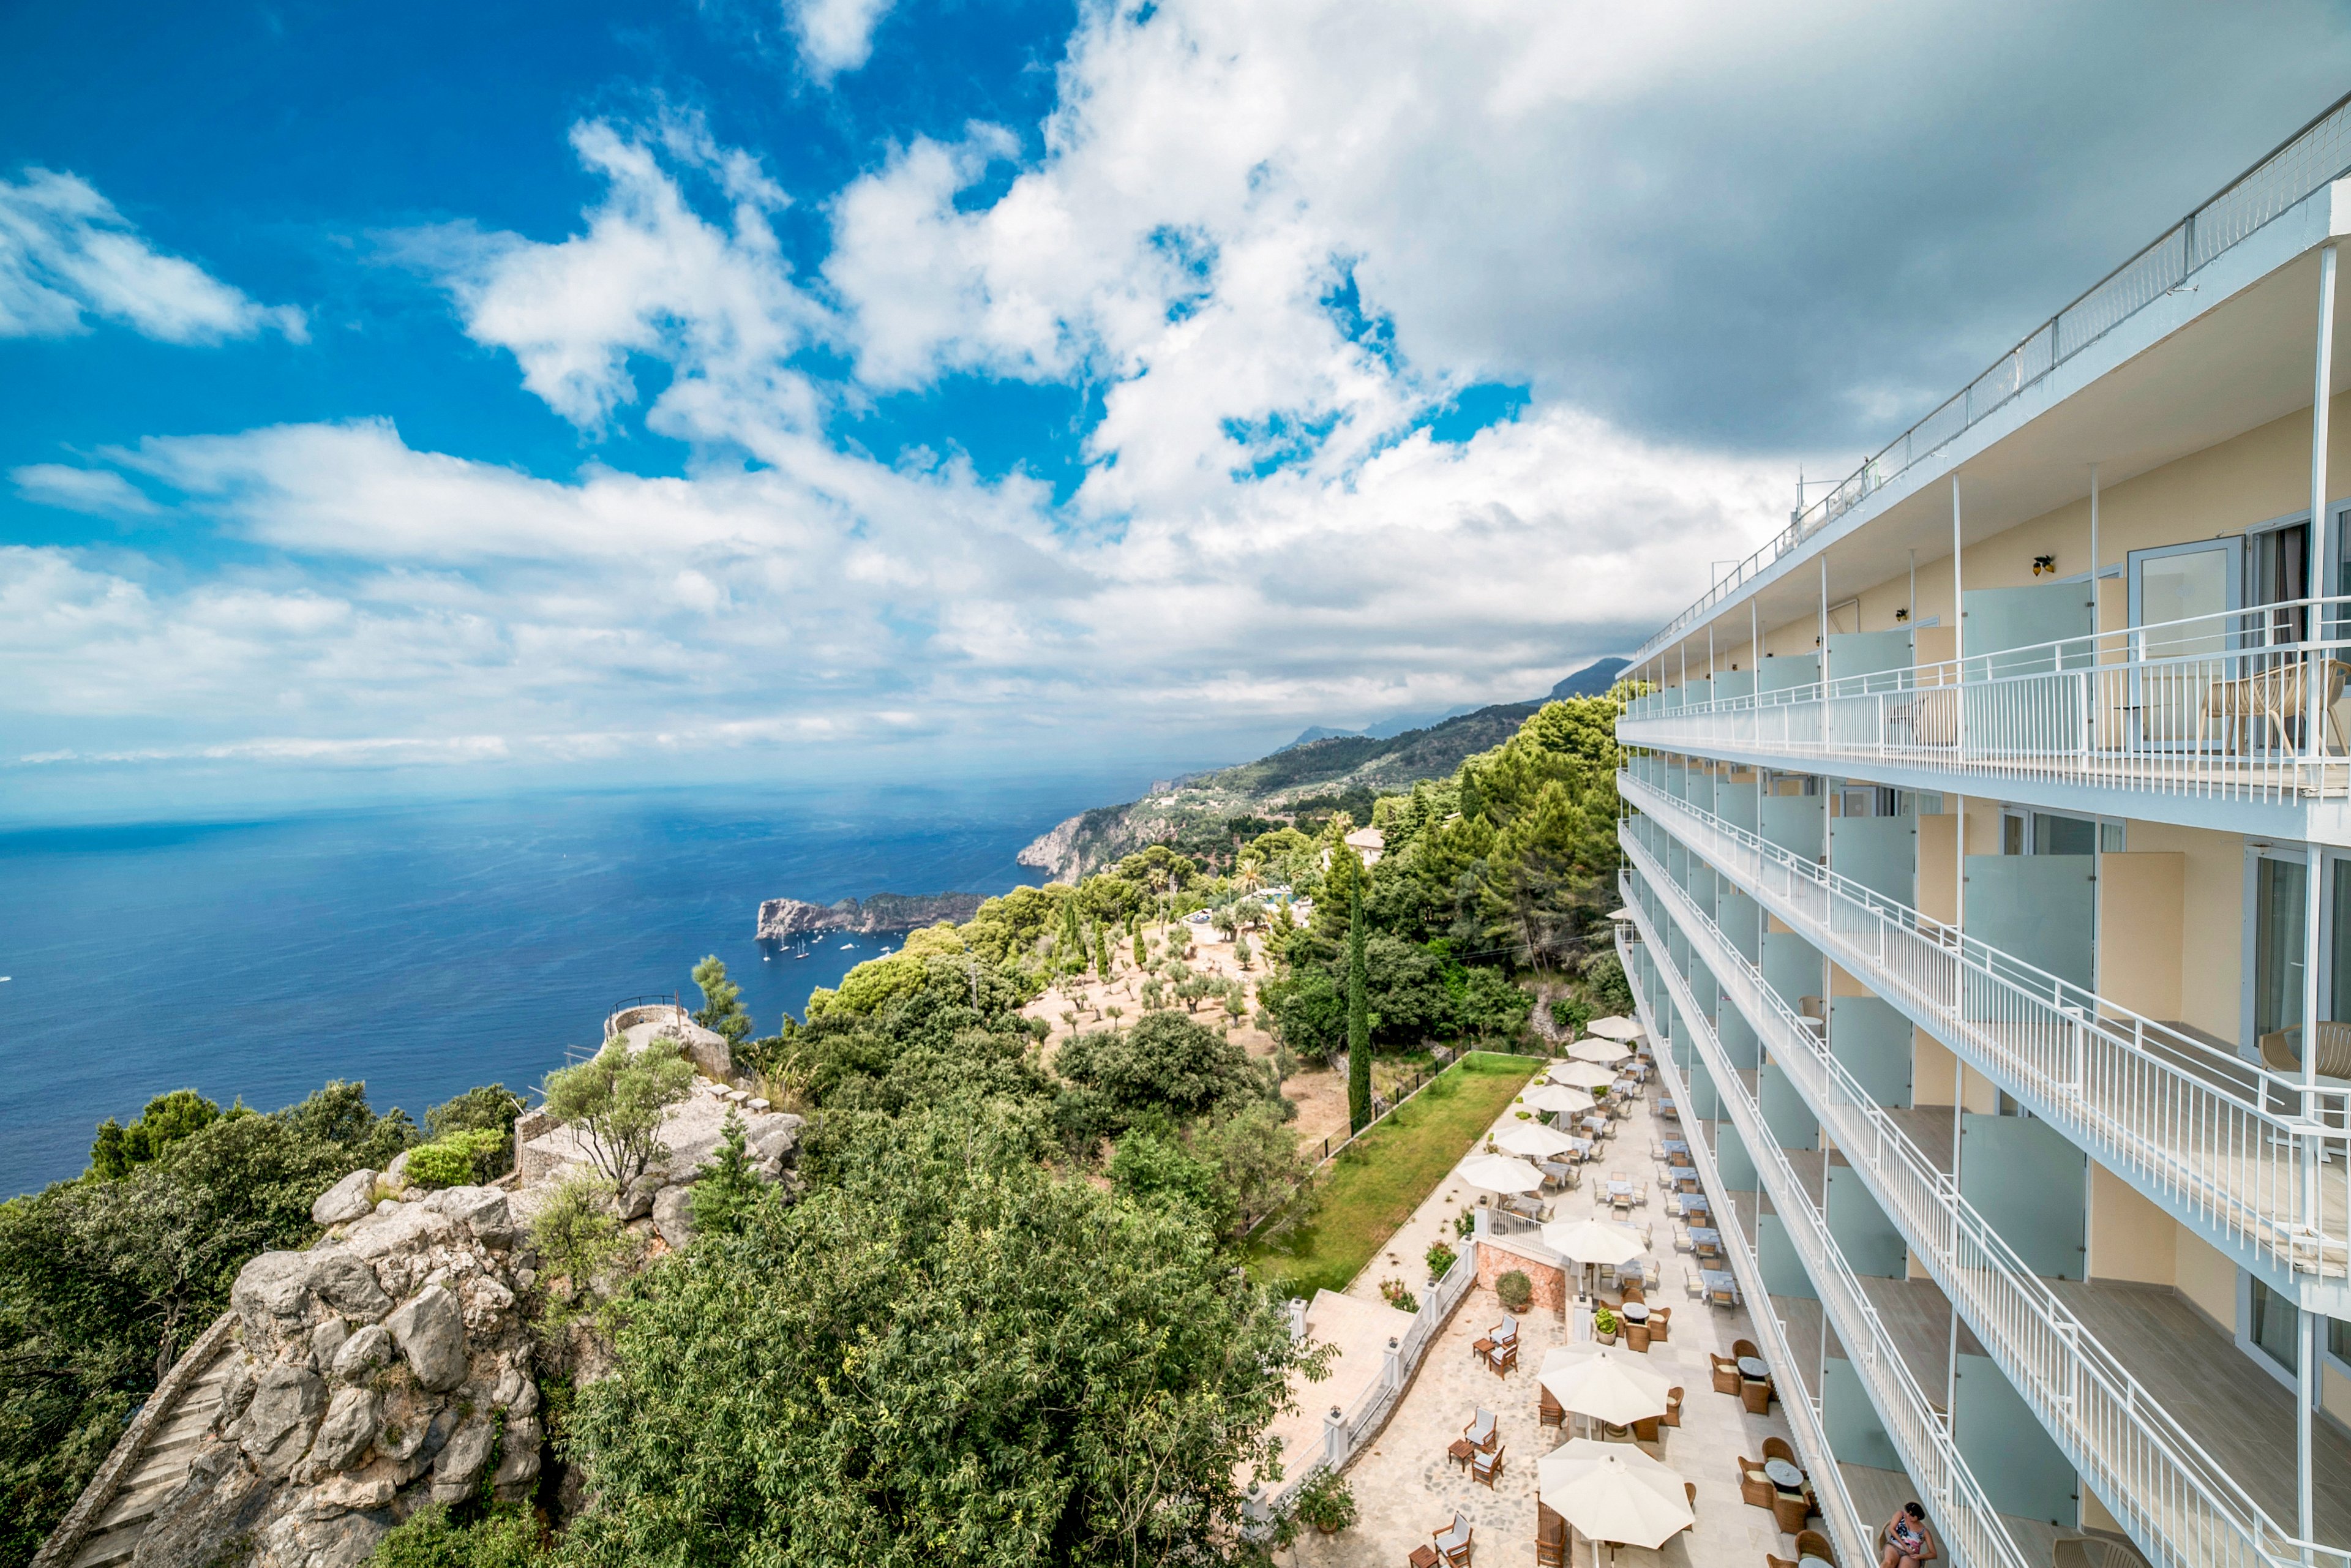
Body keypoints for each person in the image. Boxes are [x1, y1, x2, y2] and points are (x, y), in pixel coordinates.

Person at [1881, 1501, 1937, 1568]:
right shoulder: (1900, 1515)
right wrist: (1905, 1547)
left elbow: (1933, 1554)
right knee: (1889, 1562)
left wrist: (1920, 1556)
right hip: (1894, 1545)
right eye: (1908, 1512)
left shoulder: (1924, 1532)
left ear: (1917, 1517)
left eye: (1911, 1515)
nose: (1907, 1515)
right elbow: (1891, 1529)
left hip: (1911, 1555)